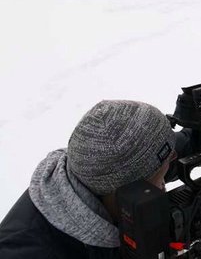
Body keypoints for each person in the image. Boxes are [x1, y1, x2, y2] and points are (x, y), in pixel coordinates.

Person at [0, 100, 184, 258]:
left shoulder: (95, 168)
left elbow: (149, 156)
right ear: (132, 191)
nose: (175, 156)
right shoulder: (30, 252)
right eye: (168, 159)